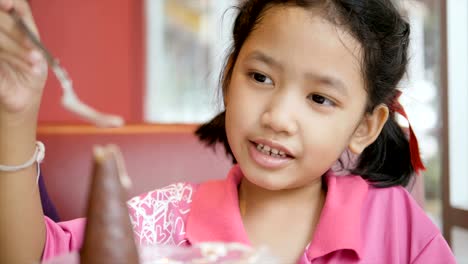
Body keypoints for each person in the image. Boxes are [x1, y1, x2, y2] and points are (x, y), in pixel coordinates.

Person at [0, 0, 456, 263]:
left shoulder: (395, 221)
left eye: (319, 98)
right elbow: (33, 257)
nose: (278, 116)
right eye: (260, 77)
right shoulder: (164, 219)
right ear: (228, 78)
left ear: (364, 126)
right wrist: (16, 113)